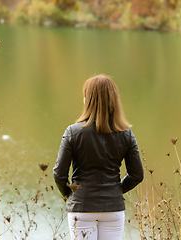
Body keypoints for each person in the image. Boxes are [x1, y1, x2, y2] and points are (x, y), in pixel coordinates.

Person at [53, 75, 144, 240]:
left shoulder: (72, 132)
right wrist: (115, 190)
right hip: (113, 208)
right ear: (114, 99)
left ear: (87, 99)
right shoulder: (126, 134)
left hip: (81, 207)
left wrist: (71, 195)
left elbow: (59, 174)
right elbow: (137, 175)